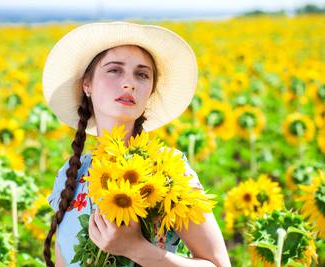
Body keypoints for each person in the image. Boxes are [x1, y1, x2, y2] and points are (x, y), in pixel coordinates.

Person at [42, 21, 231, 267]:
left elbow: (219, 264)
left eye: (142, 74)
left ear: (150, 90)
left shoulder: (169, 171)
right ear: (86, 84)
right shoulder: (71, 175)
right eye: (114, 70)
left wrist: (136, 248)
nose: (129, 83)